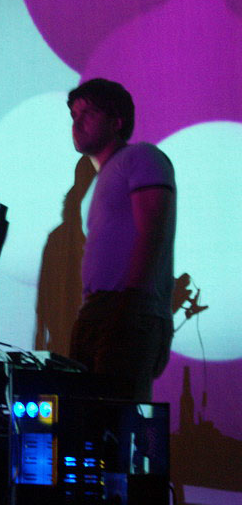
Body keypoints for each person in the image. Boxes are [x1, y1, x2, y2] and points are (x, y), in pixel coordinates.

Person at [67, 78, 176, 401]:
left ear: (116, 121)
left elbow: (152, 230)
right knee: (85, 414)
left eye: (88, 113)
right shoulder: (105, 176)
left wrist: (130, 305)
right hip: (98, 308)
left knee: (115, 413)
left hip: (127, 306)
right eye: (74, 115)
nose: (77, 123)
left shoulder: (141, 157)